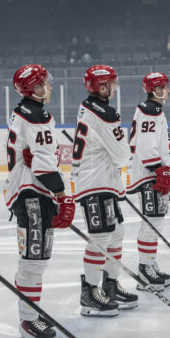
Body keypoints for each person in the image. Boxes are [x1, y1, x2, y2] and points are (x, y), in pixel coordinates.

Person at [5, 64, 75, 338]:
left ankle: (30, 312)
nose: (48, 87)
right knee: (34, 261)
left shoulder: (22, 112)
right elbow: (44, 167)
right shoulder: (36, 116)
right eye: (43, 83)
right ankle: (28, 322)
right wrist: (63, 196)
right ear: (32, 88)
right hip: (32, 194)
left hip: (26, 192)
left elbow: (37, 157)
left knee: (32, 260)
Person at [72, 65, 137, 316]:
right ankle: (89, 293)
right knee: (101, 236)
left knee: (116, 233)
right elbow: (122, 155)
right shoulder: (104, 113)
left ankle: (110, 285)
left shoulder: (89, 107)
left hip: (102, 181)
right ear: (101, 87)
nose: (114, 87)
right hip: (95, 182)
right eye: (110, 84)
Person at [127, 72, 170, 290]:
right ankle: (144, 269)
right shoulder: (149, 110)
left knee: (156, 221)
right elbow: (145, 145)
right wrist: (159, 170)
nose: (169, 91)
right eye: (165, 87)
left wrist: (167, 172)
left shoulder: (155, 110)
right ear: (157, 90)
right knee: (151, 222)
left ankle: (150, 262)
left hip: (154, 172)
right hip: (149, 175)